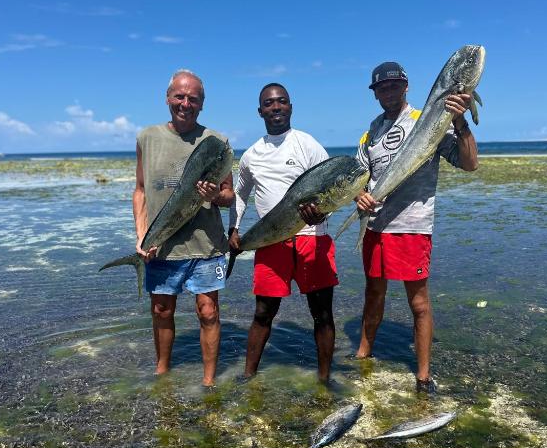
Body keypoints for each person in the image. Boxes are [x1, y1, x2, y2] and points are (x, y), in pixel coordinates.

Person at [354, 61, 479, 394]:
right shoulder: (371, 131)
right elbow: (360, 177)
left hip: (412, 227)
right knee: (373, 294)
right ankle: (363, 353)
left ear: (406, 86)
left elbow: (469, 164)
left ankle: (423, 375)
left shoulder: (428, 120)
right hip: (375, 228)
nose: (388, 91)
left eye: (394, 85)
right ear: (375, 93)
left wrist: (460, 121)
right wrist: (358, 196)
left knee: (419, 303)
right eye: (382, 87)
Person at [228, 83, 338, 383]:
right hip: (271, 241)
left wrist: (323, 214)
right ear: (260, 111)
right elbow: (240, 195)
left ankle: (324, 381)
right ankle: (247, 377)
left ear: (290, 107)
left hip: (312, 238)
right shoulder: (251, 155)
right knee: (263, 313)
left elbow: (332, 187)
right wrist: (234, 228)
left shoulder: (308, 144)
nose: (276, 107)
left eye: (282, 101)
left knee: (322, 314)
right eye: (269, 103)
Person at [133, 69, 234, 383]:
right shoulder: (146, 138)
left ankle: (209, 383)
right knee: (161, 311)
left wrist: (215, 196)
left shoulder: (217, 142)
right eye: (179, 96)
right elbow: (140, 190)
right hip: (161, 245)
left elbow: (229, 196)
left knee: (209, 312)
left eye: (193, 98)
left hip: (206, 245)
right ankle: (162, 374)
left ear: (202, 104)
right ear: (167, 98)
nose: (185, 104)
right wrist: (141, 235)